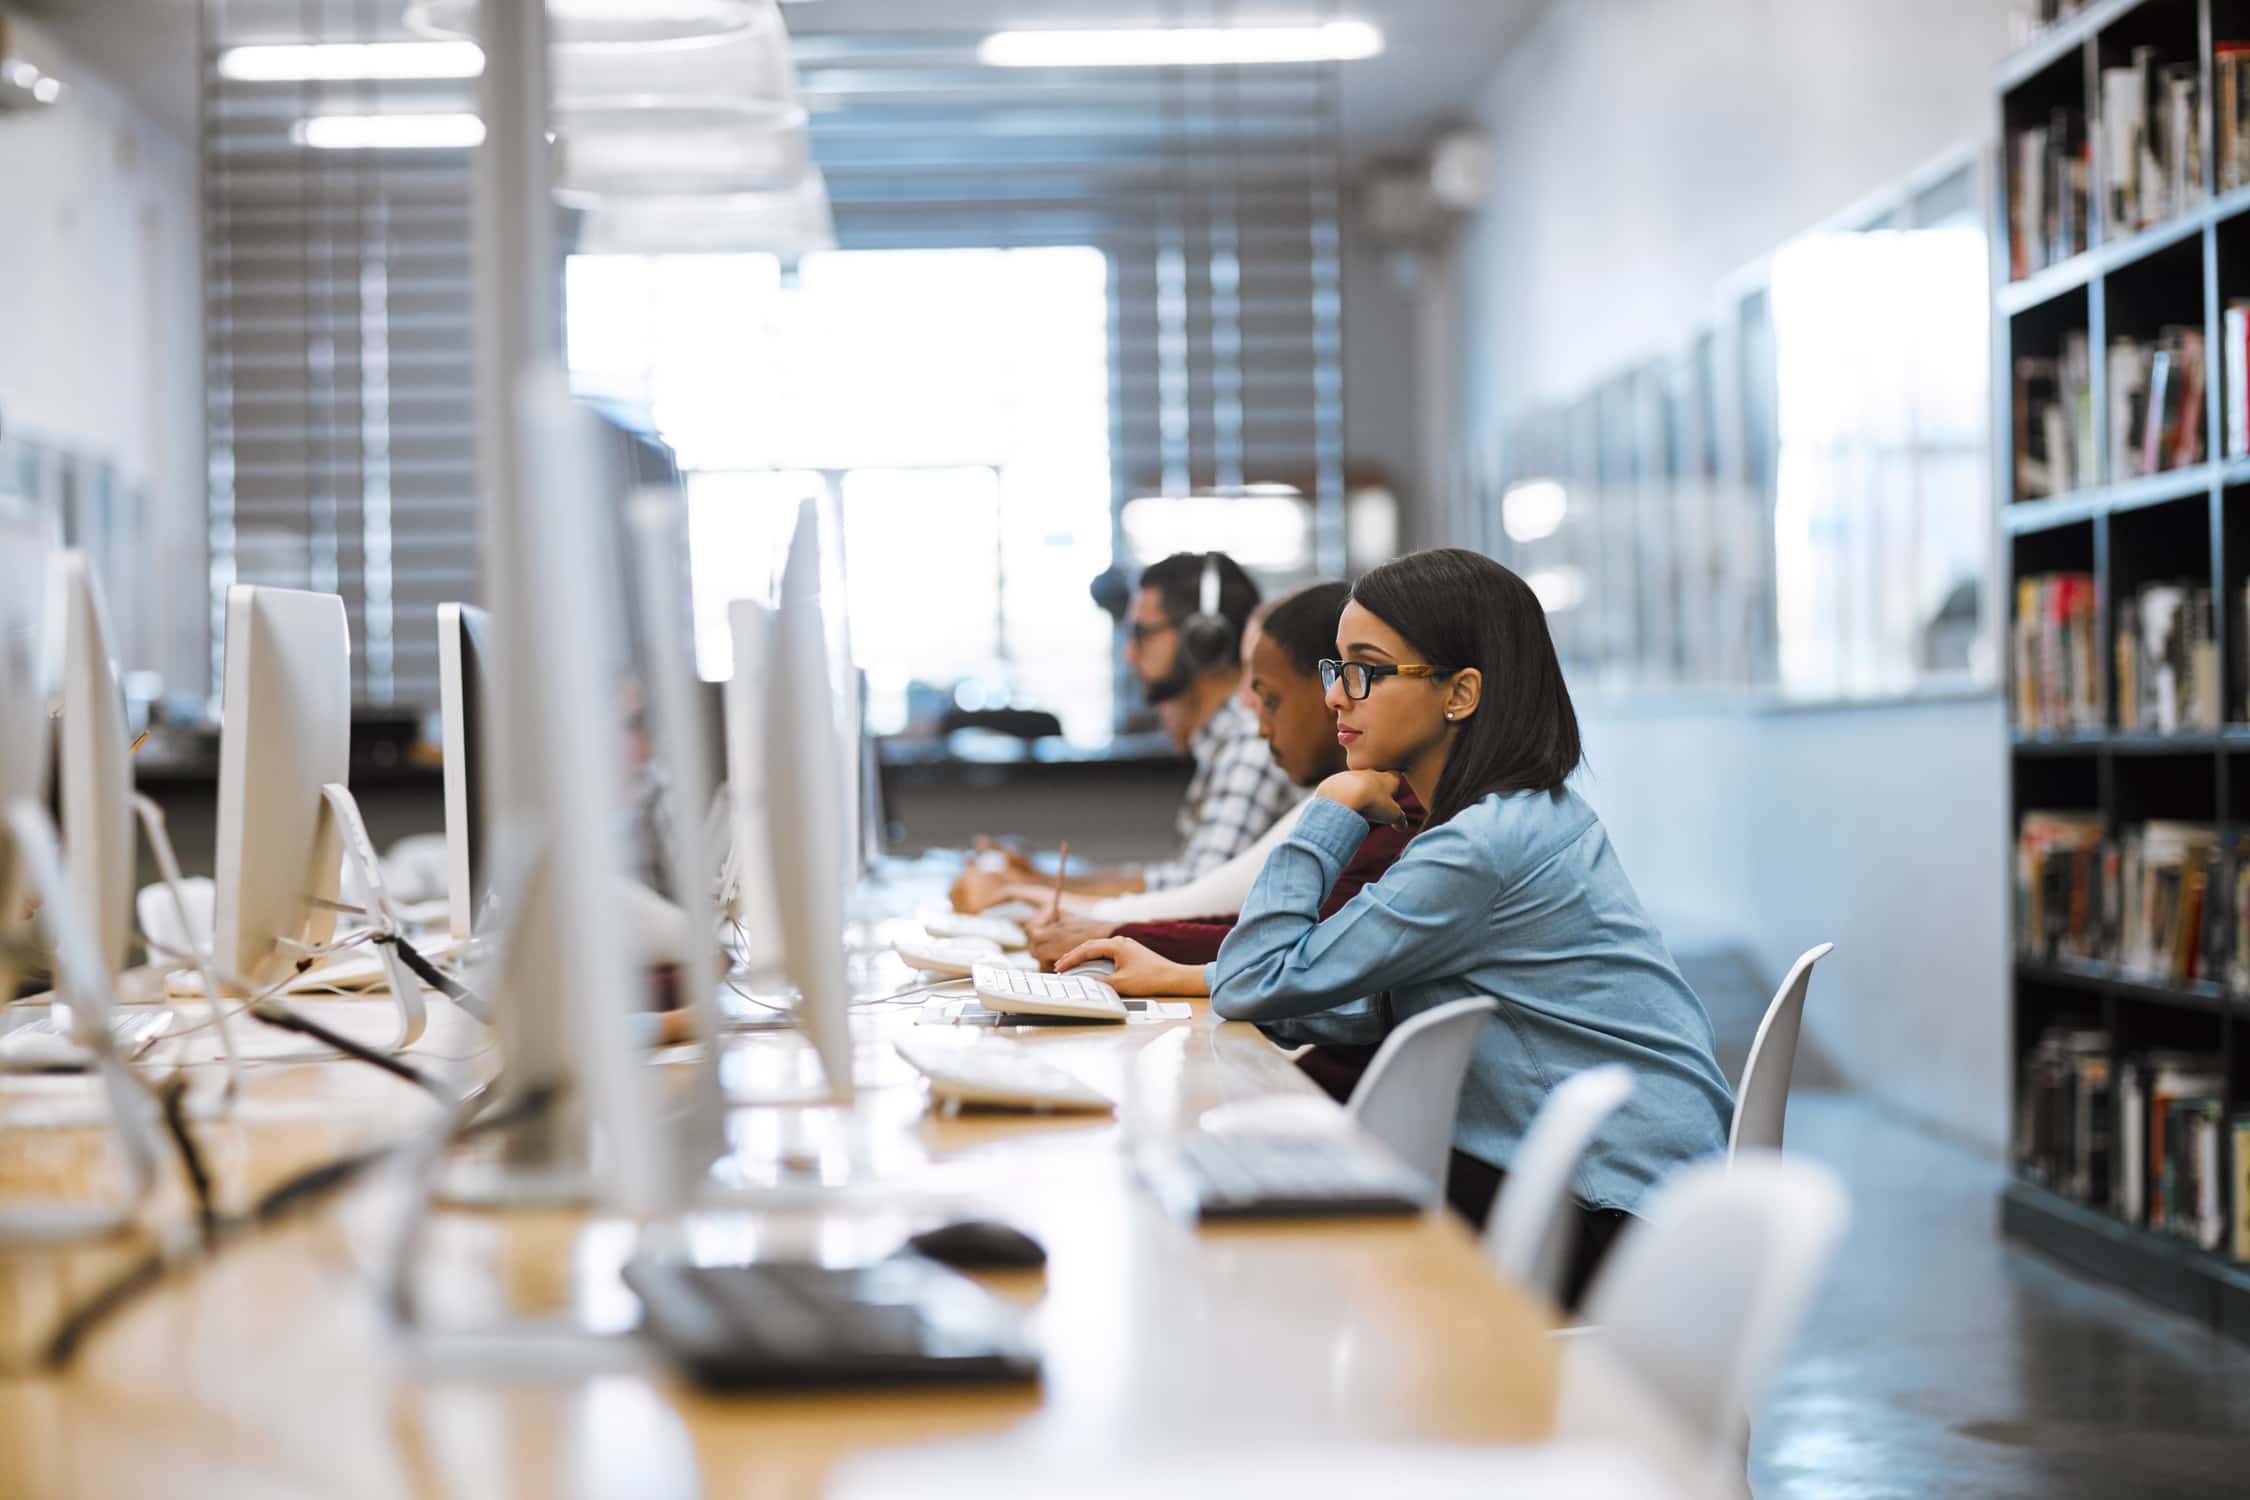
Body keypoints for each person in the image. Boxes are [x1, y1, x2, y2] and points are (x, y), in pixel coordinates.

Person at [1059, 547, 1735, 1308]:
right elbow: (1367, 993)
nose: (1337, 699)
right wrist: (1195, 978)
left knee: (1260, 1237)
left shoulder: (1478, 847)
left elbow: (1260, 980)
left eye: (1366, 671)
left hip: (1610, 1214)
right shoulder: (1511, 817)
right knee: (1256, 1191)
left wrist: (1331, 809)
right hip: (1636, 1188)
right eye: (1335, 670)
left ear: (1461, 693)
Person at [1024, 581, 1412, 978]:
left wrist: (1129, 944)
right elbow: (1277, 945)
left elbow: (1290, 959)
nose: (1336, 698)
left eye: (1363, 674)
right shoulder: (1377, 799)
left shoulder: (1396, 815)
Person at [952, 550, 1297, 908]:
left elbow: (1194, 897)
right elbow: (1179, 879)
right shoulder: (1223, 742)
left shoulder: (1250, 743)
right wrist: (1039, 880)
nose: (1129, 654)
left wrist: (1027, 890)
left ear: (1203, 641)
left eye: (1143, 634)